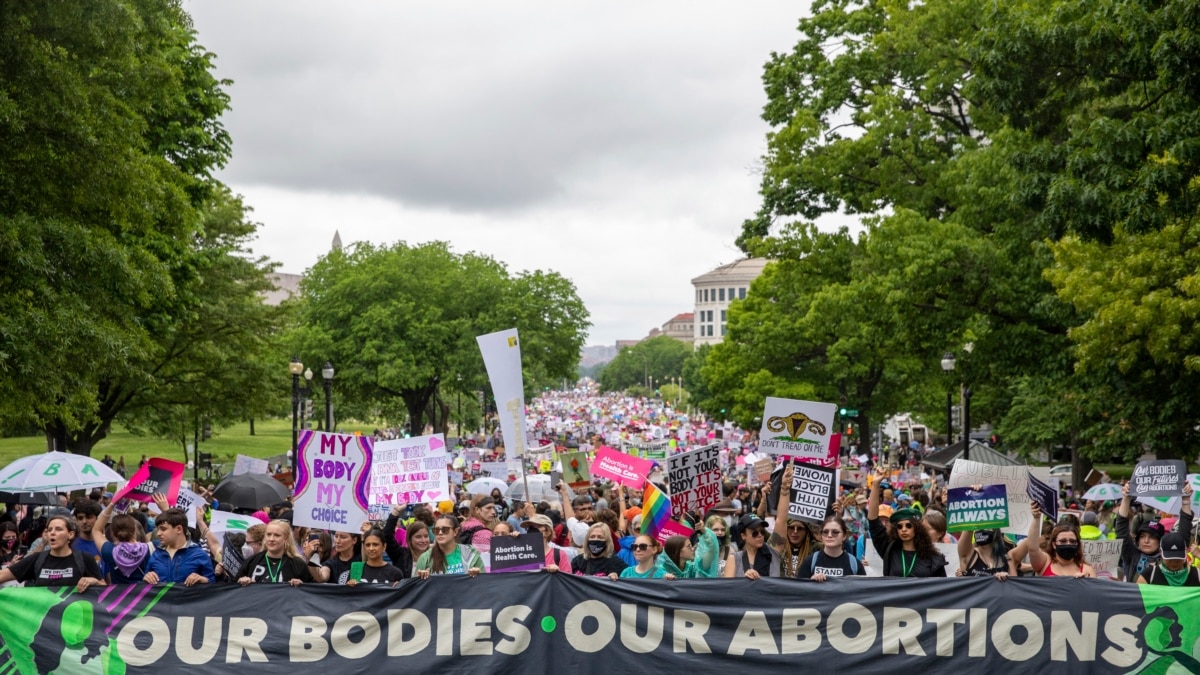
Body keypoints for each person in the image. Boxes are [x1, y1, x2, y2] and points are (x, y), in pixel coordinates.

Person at [867, 466, 946, 577]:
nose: (904, 529)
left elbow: (942, 588)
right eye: (899, 527)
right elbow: (873, 521)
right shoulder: (889, 550)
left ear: (917, 528)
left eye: (908, 526)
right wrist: (875, 485)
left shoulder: (933, 557)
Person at [0, 515, 104, 592]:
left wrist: (94, 582)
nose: (52, 533)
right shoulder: (37, 559)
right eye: (49, 530)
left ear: (70, 534)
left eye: (58, 529)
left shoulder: (84, 559)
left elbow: (106, 591)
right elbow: (2, 575)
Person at [1115, 481, 1193, 583]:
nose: (1146, 541)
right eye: (1142, 536)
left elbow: (1183, 534)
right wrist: (1126, 499)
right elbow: (1121, 531)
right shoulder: (1133, 556)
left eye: (1152, 537)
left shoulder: (1169, 558)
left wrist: (1186, 500)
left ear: (1160, 541)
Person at [143, 508, 214, 586]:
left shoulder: (199, 554)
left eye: (163, 529)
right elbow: (144, 583)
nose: (158, 533)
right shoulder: (156, 554)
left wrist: (203, 580)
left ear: (179, 529)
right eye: (158, 529)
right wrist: (147, 577)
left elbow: (214, 585)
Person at [773, 465, 819, 578]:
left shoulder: (817, 549)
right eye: (791, 527)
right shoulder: (778, 544)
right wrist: (784, 489)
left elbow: (835, 543)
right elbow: (781, 520)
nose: (795, 531)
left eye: (800, 529)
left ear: (807, 531)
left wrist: (837, 514)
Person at [237, 520, 312, 586]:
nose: (271, 539)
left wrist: (301, 585)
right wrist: (241, 581)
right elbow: (233, 588)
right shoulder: (252, 561)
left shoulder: (298, 564)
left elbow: (310, 590)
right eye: (268, 534)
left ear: (286, 538)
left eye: (277, 535)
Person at [797, 515, 864, 581]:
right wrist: (811, 581)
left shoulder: (855, 564)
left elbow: (863, 590)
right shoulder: (810, 561)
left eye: (835, 532)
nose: (829, 535)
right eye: (825, 532)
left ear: (844, 536)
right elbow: (800, 589)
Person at [414, 515, 484, 578]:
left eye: (445, 530)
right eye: (436, 530)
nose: (440, 533)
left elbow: (484, 584)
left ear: (455, 531)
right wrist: (421, 578)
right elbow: (415, 588)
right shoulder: (425, 558)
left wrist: (478, 575)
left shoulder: (470, 553)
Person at [723, 514, 778, 579]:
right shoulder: (734, 559)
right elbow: (728, 586)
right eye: (755, 533)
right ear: (743, 536)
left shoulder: (771, 554)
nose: (760, 535)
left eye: (762, 531)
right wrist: (745, 580)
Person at [71, 499, 103, 569]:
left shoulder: (105, 544)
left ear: (98, 518)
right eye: (80, 518)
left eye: (89, 517)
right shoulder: (70, 545)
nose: (84, 521)